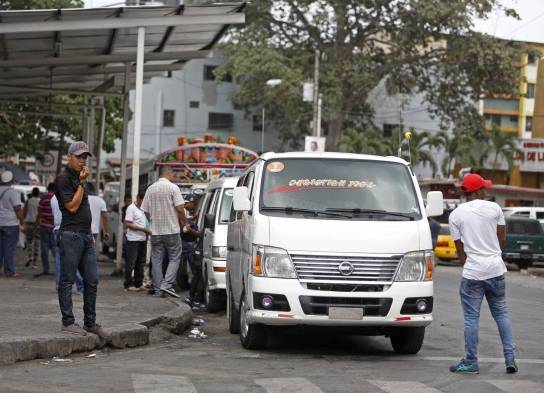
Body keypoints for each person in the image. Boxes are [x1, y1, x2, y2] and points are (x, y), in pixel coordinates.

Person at [448, 173, 517, 374]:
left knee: (471, 318)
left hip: (473, 273)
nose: (486, 191)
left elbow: (460, 251)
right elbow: (502, 241)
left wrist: (469, 264)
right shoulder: (495, 208)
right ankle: (510, 359)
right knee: (502, 314)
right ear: (477, 191)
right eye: (483, 188)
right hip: (496, 269)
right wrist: (492, 253)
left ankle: (470, 362)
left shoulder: (456, 215)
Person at [55, 141, 107, 338]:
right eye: (79, 157)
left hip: (85, 235)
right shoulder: (64, 179)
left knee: (92, 280)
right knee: (67, 280)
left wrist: (90, 235)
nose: (83, 160)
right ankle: (67, 322)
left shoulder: (80, 176)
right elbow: (72, 207)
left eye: (85, 157)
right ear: (70, 157)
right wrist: (83, 184)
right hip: (71, 235)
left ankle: (90, 323)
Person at [141, 166, 186, 298]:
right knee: (175, 257)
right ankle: (166, 285)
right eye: (173, 172)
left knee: (156, 260)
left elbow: (145, 210)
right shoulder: (173, 188)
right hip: (171, 230)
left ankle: (158, 289)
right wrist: (183, 222)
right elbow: (180, 208)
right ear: (168, 173)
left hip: (156, 231)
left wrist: (152, 220)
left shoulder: (151, 189)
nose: (173, 175)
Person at [51, 194, 84, 293]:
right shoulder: (69, 196)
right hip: (68, 228)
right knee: (72, 260)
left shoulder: (53, 198)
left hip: (57, 229)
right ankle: (80, 285)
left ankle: (59, 284)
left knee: (59, 259)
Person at [124, 189, 150, 291]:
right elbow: (128, 224)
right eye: (142, 201)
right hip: (133, 240)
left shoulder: (143, 209)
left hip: (142, 239)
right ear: (138, 198)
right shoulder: (131, 208)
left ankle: (138, 283)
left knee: (140, 262)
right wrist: (143, 229)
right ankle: (128, 284)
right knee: (131, 263)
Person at [0, 171, 24, 278]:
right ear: (11, 180)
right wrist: (22, 221)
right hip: (10, 224)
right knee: (9, 248)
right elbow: (18, 208)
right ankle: (9, 271)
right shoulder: (12, 192)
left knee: (1, 247)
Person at [181, 195, 203, 307]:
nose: (188, 205)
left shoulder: (189, 214)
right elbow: (186, 229)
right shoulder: (184, 213)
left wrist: (195, 216)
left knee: (195, 273)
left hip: (191, 247)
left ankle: (194, 297)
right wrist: (198, 233)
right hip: (189, 247)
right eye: (189, 203)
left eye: (189, 203)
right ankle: (193, 297)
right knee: (195, 273)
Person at [36, 183, 55, 276]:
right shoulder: (58, 198)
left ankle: (46, 269)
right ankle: (59, 268)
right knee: (55, 248)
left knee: (44, 248)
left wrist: (37, 224)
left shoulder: (44, 198)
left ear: (48, 189)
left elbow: (39, 212)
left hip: (44, 226)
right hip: (55, 227)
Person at [24, 187, 41, 270]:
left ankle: (30, 256)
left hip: (28, 223)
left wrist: (23, 222)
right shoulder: (40, 202)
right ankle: (34, 263)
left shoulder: (28, 201)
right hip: (37, 224)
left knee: (29, 241)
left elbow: (24, 212)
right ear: (38, 193)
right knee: (36, 243)